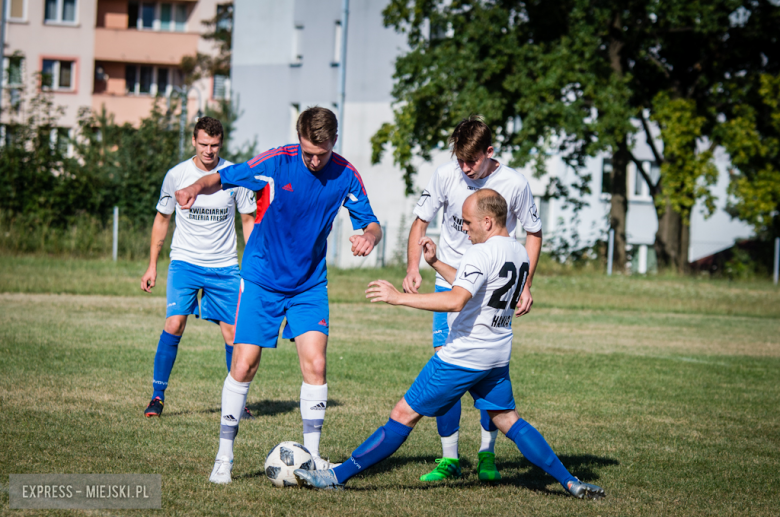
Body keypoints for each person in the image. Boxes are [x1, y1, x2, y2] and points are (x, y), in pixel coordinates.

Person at [294, 189, 605, 500]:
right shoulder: (519, 251)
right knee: (508, 419)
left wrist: (399, 297)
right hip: (495, 355)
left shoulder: (480, 253)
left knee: (403, 415)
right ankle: (569, 481)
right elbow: (474, 283)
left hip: (463, 356)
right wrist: (436, 262)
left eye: (467, 223)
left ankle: (336, 475)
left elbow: (457, 299)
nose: (463, 228)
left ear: (487, 221)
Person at [174, 107, 382, 483]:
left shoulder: (346, 175)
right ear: (299, 139)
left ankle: (313, 459)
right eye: (308, 152)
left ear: (334, 141)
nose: (315, 160)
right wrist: (193, 187)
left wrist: (368, 236)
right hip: (262, 279)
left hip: (309, 284)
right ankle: (224, 456)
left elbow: (371, 222)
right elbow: (221, 177)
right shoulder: (276, 162)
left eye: (321, 152)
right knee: (244, 365)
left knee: (315, 364)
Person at [403, 116, 543, 482]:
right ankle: (449, 458)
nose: (465, 169)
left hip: (493, 287)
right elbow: (420, 221)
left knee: (488, 369)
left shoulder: (514, 183)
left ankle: (486, 453)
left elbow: (534, 232)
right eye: (460, 161)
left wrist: (524, 284)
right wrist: (414, 266)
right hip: (450, 282)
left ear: (490, 152)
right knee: (444, 363)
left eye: (472, 162)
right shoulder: (446, 174)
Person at [142, 116, 256, 419]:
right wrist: (152, 265)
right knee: (174, 323)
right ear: (194, 141)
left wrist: (254, 265)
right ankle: (157, 396)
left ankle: (238, 403)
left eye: (215, 145)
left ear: (222, 143)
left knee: (234, 335)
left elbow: (248, 220)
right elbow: (162, 219)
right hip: (185, 263)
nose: (209, 150)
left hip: (225, 267)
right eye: (204, 144)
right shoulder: (176, 175)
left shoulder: (234, 175)